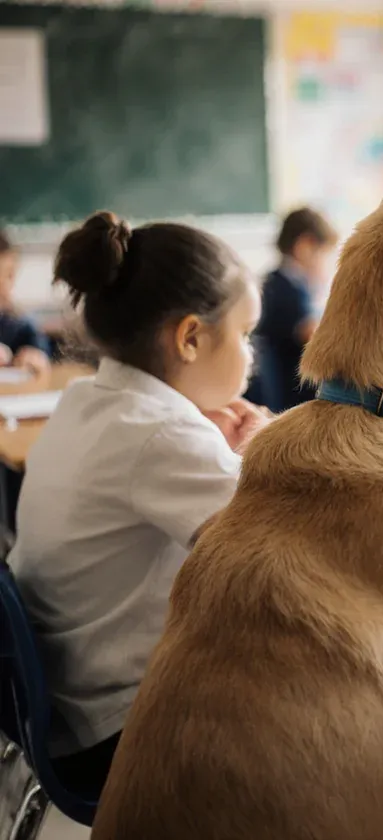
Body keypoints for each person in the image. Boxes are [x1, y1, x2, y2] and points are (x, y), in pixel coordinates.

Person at [7, 211, 269, 798]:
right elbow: (279, 552)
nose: (251, 355)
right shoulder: (164, 438)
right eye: (245, 333)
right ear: (191, 337)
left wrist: (223, 455)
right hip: (121, 735)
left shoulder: (87, 398)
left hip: (61, 708)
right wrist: (260, 450)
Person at [251, 207, 338, 412]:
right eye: (324, 255)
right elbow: (317, 340)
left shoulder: (277, 282)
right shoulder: (288, 290)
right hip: (290, 400)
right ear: (304, 247)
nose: (326, 265)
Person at [0, 228, 52, 375]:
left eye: (11, 274)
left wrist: (36, 358)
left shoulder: (20, 325)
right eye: (5, 274)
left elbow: (41, 355)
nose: (8, 283)